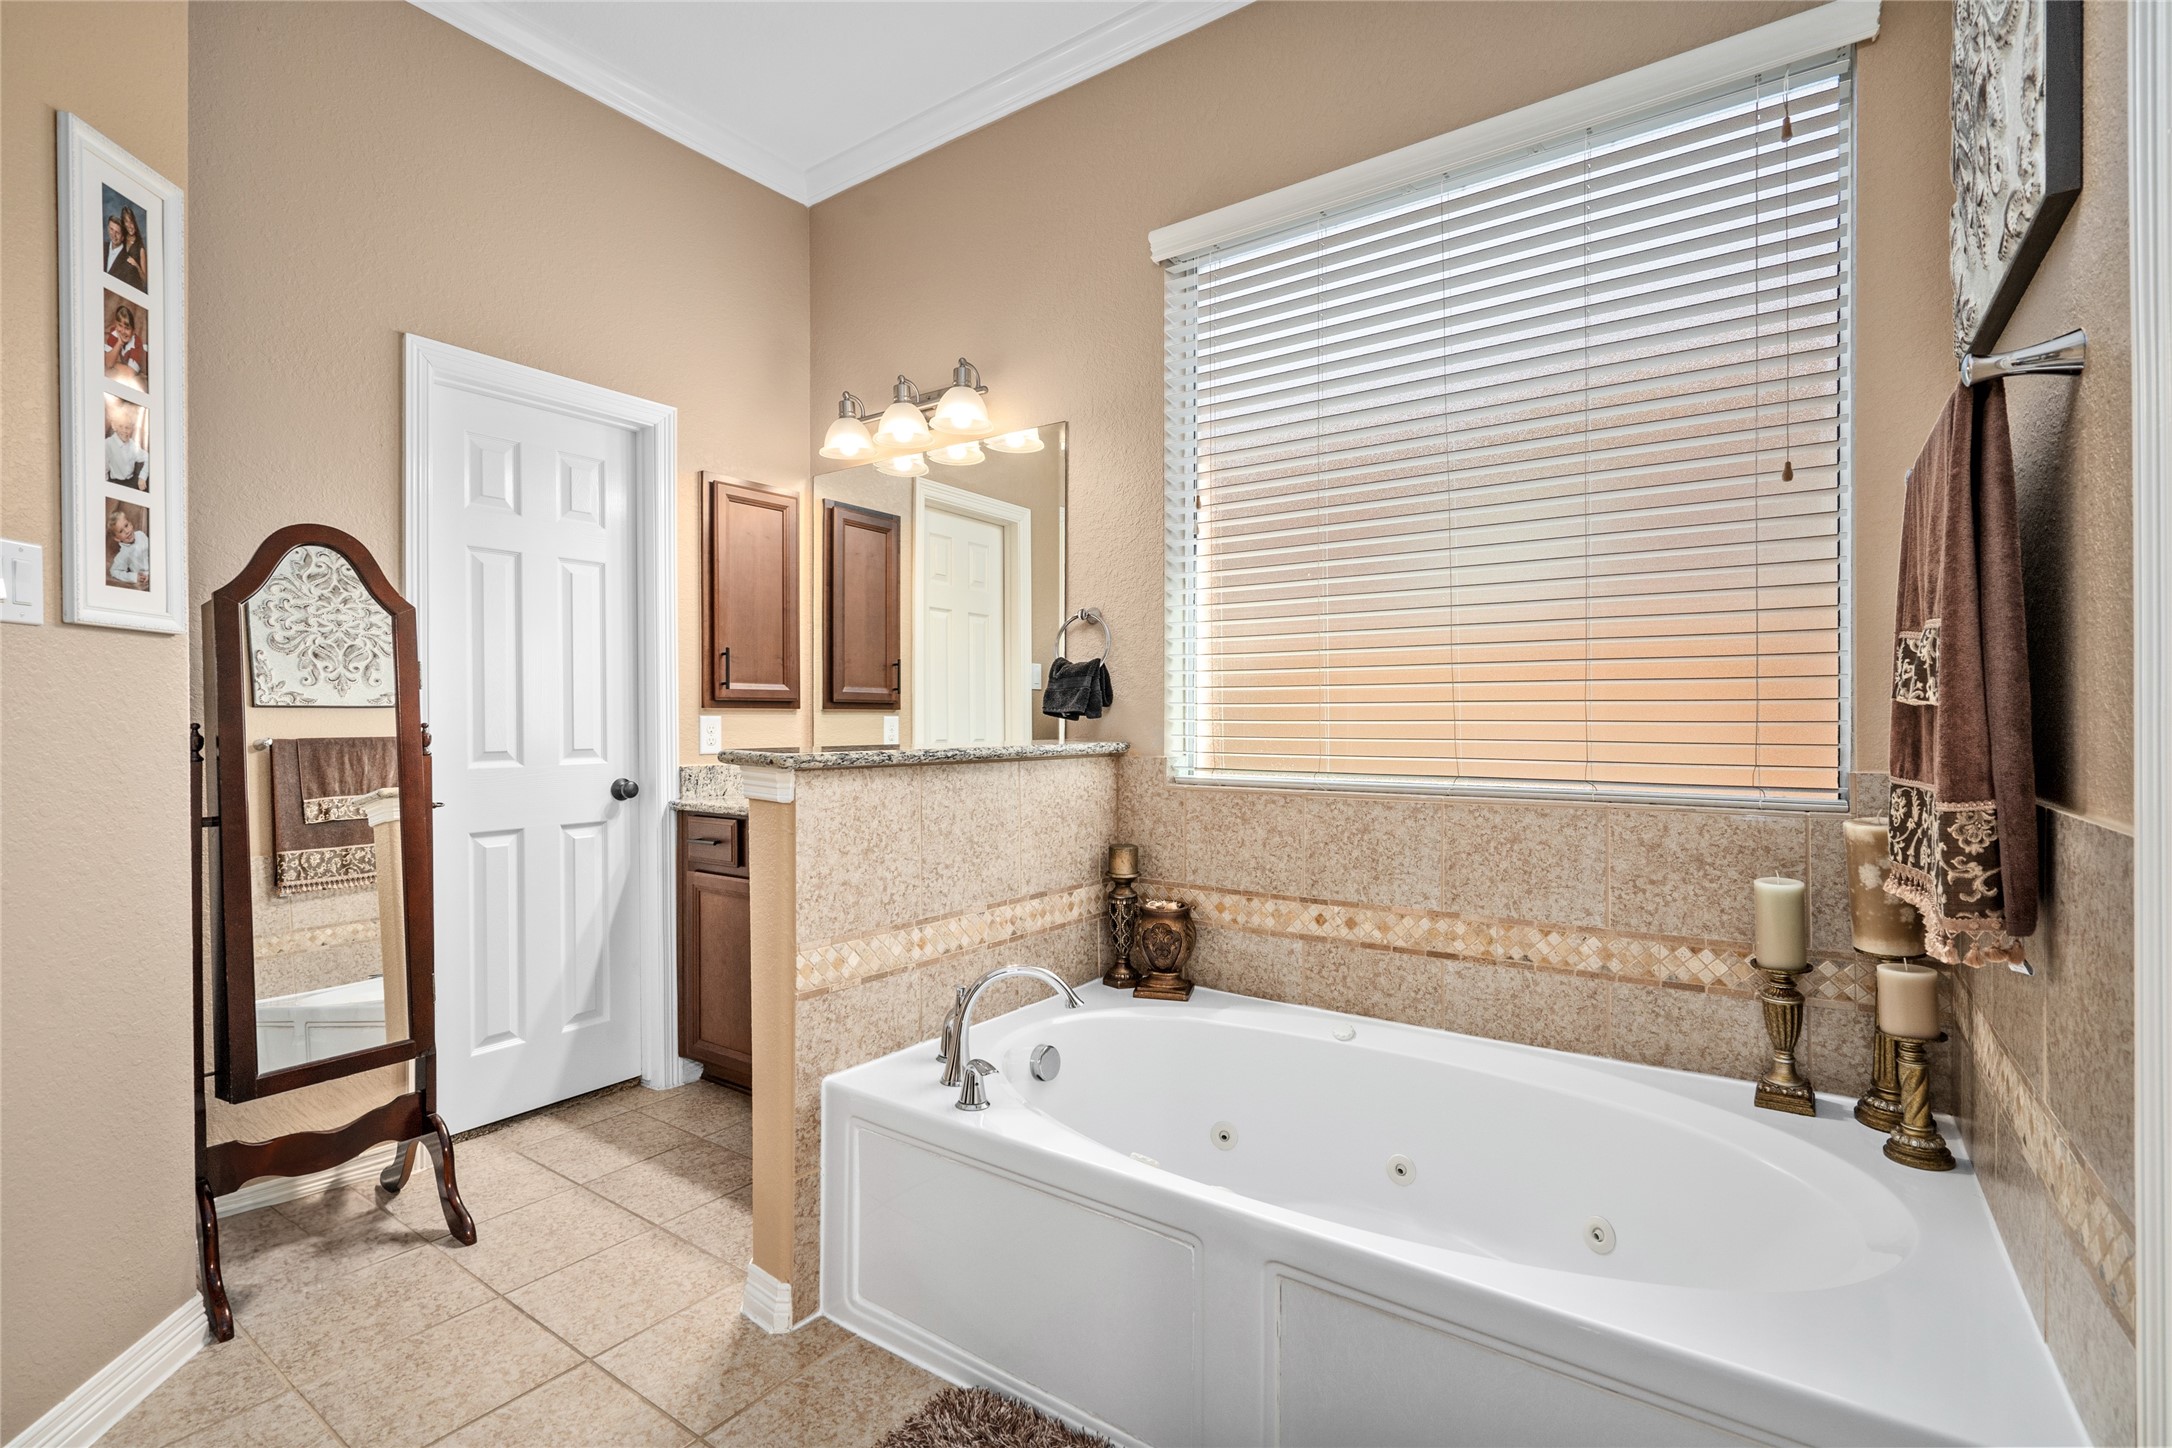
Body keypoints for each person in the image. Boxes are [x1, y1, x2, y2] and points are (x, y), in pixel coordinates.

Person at [105, 404, 148, 488]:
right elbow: (104, 469)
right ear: (114, 426)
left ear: (131, 429)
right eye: (120, 426)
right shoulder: (108, 443)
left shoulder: (132, 444)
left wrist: (143, 477)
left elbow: (148, 458)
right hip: (115, 483)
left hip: (131, 482)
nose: (124, 431)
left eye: (127, 427)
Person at [104, 302, 146, 387]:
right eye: (120, 325)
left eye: (127, 328)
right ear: (116, 324)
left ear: (133, 331)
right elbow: (108, 363)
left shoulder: (137, 344)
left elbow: (130, 373)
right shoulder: (115, 333)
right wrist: (120, 342)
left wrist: (114, 364)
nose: (122, 331)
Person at [108, 509, 150, 590]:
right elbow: (114, 571)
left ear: (131, 524)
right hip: (146, 576)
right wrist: (134, 577)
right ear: (117, 538)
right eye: (121, 531)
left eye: (126, 525)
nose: (126, 531)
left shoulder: (141, 535)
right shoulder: (123, 554)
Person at [105, 210, 146, 291]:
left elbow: (145, 281)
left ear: (135, 222)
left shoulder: (140, 248)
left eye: (131, 222)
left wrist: (136, 265)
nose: (130, 226)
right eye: (126, 222)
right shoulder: (120, 240)